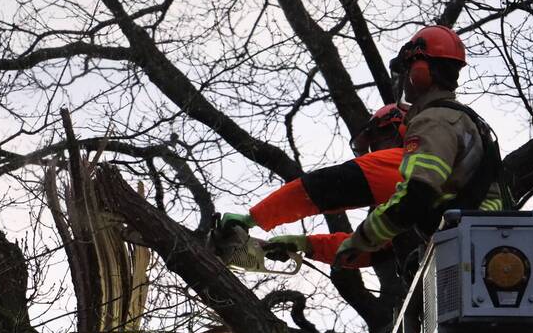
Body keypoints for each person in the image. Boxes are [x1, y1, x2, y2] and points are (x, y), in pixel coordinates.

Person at [333, 25, 510, 269]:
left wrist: (361, 239)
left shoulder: (432, 121)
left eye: (407, 72)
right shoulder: (465, 120)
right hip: (482, 242)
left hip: (469, 246)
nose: (404, 82)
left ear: (419, 72)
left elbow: (416, 195)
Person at [217, 103, 408, 269]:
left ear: (399, 130)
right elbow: (368, 249)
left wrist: (253, 218)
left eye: (379, 142)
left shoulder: (400, 161)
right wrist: (306, 244)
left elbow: (321, 188)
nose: (375, 153)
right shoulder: (407, 197)